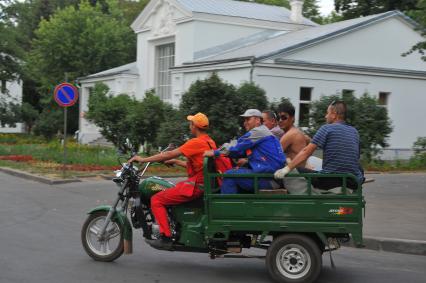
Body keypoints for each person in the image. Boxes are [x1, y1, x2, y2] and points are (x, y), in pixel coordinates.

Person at [128, 112, 216, 250]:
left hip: (196, 186)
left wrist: (143, 159)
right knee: (170, 190)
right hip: (203, 183)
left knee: (157, 200)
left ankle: (166, 237)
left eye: (191, 123)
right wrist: (175, 161)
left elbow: (169, 153)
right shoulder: (210, 142)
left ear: (194, 126)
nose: (189, 125)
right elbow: (197, 166)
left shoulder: (196, 142)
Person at [274, 101, 364, 190]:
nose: (325, 116)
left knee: (296, 170)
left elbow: (306, 152)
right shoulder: (354, 131)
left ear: (334, 114)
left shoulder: (326, 129)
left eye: (327, 113)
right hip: (353, 181)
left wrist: (287, 169)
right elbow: (356, 156)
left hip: (331, 181)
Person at [205, 109, 286, 194]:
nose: (245, 123)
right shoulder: (263, 132)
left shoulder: (258, 131)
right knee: (236, 171)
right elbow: (240, 151)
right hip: (270, 177)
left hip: (268, 179)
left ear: (258, 120)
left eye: (248, 119)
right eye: (245, 120)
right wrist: (225, 153)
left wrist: (215, 152)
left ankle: (227, 207)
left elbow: (236, 145)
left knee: (229, 175)